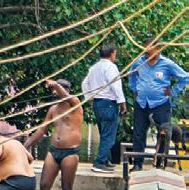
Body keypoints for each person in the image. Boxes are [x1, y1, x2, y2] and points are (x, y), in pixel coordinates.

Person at [23, 79, 83, 190]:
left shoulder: (75, 104)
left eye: (57, 90)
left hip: (70, 152)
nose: (54, 93)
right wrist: (25, 146)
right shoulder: (53, 109)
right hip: (54, 151)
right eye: (53, 90)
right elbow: (41, 130)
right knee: (44, 185)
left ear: (66, 90)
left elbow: (67, 96)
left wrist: (55, 84)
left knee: (66, 189)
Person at [128, 37, 189, 170]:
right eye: (145, 50)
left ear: (158, 49)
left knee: (162, 135)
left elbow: (185, 77)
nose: (147, 53)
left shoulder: (167, 64)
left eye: (150, 50)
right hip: (141, 103)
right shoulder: (139, 62)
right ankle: (137, 164)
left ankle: (159, 165)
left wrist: (173, 92)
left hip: (161, 105)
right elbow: (131, 74)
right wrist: (134, 88)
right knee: (138, 134)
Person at [81, 45, 126, 172]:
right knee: (108, 135)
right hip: (109, 103)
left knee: (104, 133)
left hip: (97, 103)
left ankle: (106, 160)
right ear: (112, 54)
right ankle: (99, 163)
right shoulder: (111, 67)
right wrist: (122, 103)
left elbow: (85, 83)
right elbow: (116, 86)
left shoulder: (94, 67)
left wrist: (89, 98)